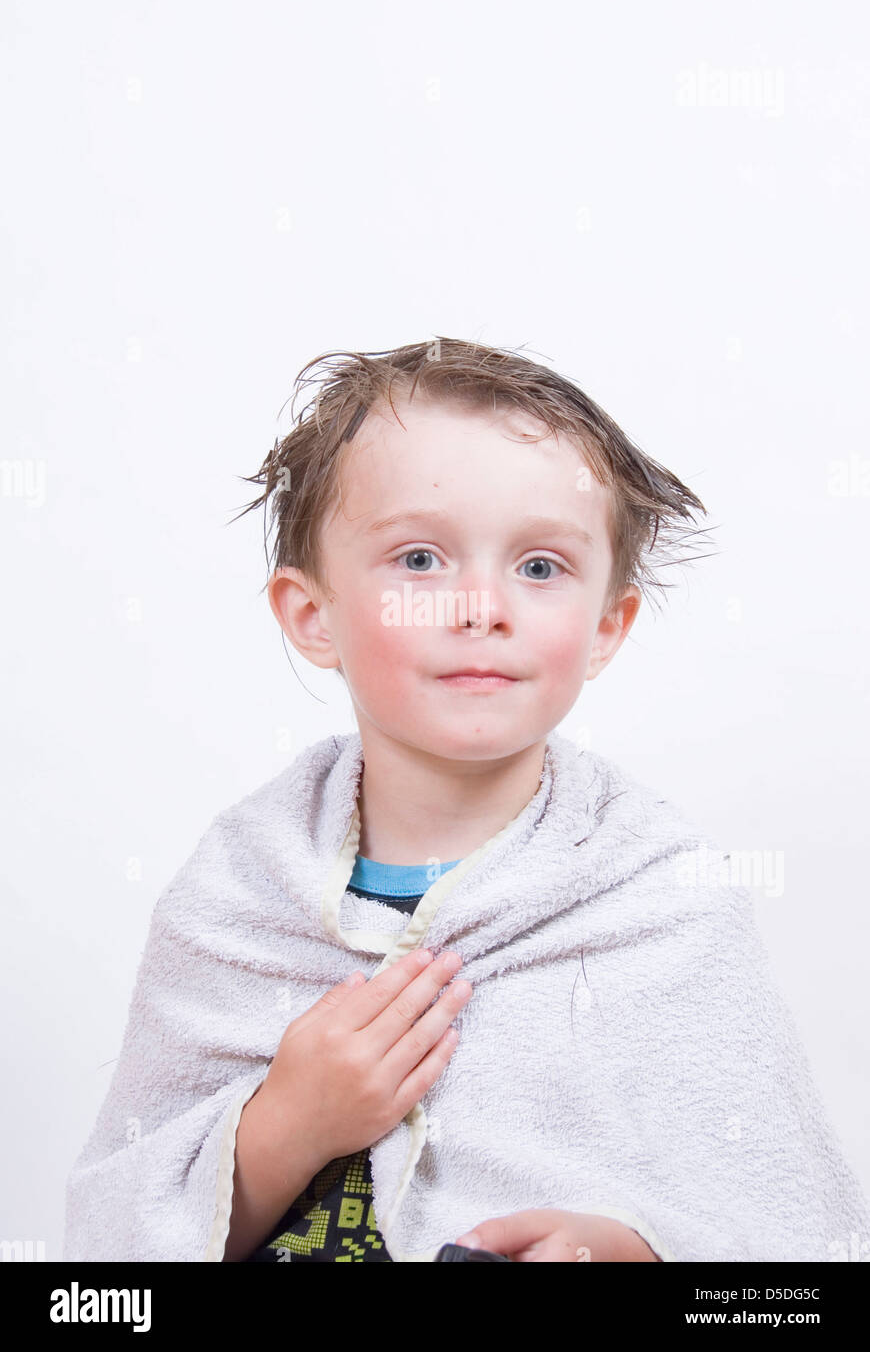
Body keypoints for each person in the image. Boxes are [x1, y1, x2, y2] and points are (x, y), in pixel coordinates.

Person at [63, 337, 870, 1263]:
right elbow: (104, 1261)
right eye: (419, 559)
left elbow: (788, 1255)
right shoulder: (241, 891)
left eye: (539, 568)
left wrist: (629, 1253)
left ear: (608, 626)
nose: (483, 606)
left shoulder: (659, 902)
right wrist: (288, 1120)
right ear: (311, 615)